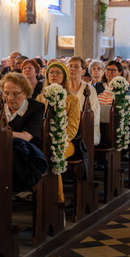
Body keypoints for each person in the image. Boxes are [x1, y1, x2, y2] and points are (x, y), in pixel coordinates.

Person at [0, 73, 47, 191]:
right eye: (6, 93)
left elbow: (26, 137)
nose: (10, 98)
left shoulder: (36, 108)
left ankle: (5, 190)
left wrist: (0, 129)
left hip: (26, 154)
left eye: (16, 94)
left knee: (10, 150)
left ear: (25, 92)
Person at [36, 62, 80, 203]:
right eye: (51, 72)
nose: (53, 75)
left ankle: (57, 200)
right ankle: (37, 192)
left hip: (66, 142)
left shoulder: (72, 99)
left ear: (64, 77)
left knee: (54, 155)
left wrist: (58, 140)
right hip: (43, 139)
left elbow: (72, 128)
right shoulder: (40, 98)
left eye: (57, 72)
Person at [67, 56, 101, 145]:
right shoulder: (62, 88)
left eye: (76, 67)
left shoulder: (89, 89)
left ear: (83, 71)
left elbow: (94, 114)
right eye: (70, 66)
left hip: (85, 130)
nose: (72, 69)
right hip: (65, 128)